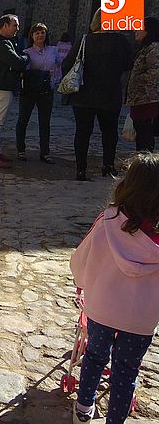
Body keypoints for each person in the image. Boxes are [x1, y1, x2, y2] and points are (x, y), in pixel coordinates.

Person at [70, 152, 159, 424]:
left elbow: (82, 259)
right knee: (126, 372)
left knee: (94, 357)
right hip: (141, 318)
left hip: (102, 309)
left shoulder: (108, 221)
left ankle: (84, 409)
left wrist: (81, 282)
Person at [63, 8, 133, 180]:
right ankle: (108, 166)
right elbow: (129, 64)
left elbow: (67, 64)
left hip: (83, 95)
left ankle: (81, 169)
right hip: (109, 94)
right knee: (109, 132)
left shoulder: (84, 40)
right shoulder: (120, 40)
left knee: (82, 133)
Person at [0, 15, 29, 168]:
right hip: (1, 86)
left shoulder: (7, 42)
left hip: (4, 86)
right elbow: (16, 62)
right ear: (4, 26)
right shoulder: (2, 44)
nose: (17, 29)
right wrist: (26, 57)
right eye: (14, 25)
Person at [15, 23, 61, 163]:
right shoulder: (27, 52)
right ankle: (21, 149)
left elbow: (58, 67)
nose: (40, 35)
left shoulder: (53, 50)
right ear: (32, 36)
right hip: (30, 90)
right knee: (23, 120)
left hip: (46, 90)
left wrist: (55, 80)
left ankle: (45, 152)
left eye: (42, 32)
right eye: (37, 33)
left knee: (45, 122)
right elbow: (25, 71)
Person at [125, 17, 159, 152]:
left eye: (139, 28)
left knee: (145, 136)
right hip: (140, 100)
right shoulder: (145, 48)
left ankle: (147, 168)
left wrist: (136, 79)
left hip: (147, 101)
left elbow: (155, 74)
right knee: (141, 135)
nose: (135, 31)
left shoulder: (154, 48)